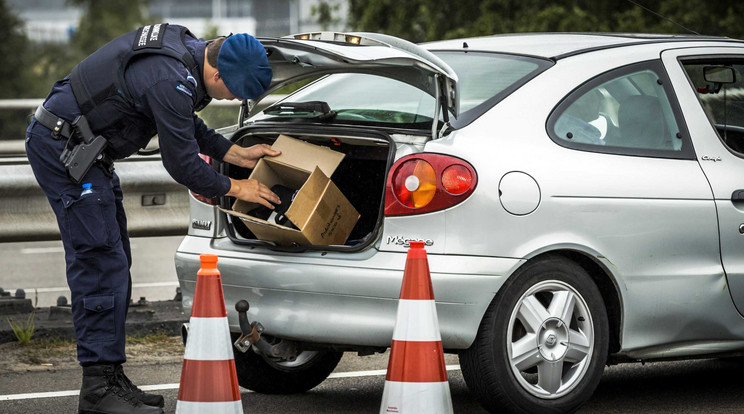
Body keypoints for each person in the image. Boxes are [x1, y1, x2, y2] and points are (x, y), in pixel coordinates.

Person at [25, 24, 281, 414]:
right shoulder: (170, 77)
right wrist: (237, 188)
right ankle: (97, 390)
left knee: (115, 260)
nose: (231, 99)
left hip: (87, 152)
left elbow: (184, 124)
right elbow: (182, 163)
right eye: (233, 92)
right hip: (63, 148)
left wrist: (234, 153)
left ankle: (109, 377)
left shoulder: (186, 57)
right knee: (99, 262)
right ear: (217, 75)